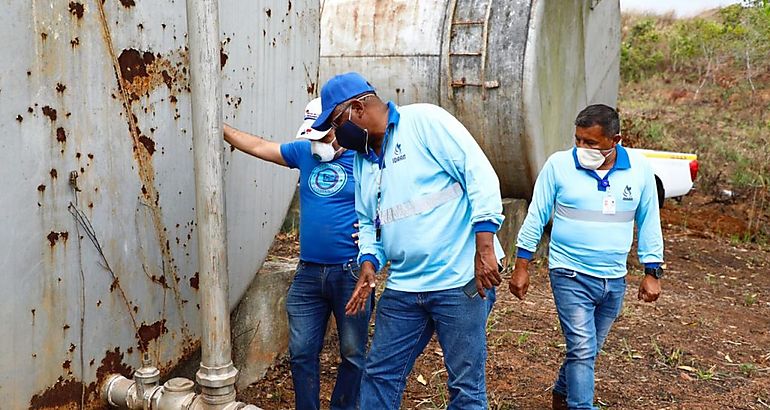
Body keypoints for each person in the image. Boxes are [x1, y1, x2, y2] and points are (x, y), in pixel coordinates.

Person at [310, 72, 506, 410]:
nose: (336, 137)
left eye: (337, 124)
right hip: (405, 286)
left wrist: (485, 247)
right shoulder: (363, 159)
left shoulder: (425, 121)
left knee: (465, 386)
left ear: (358, 108)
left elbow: (480, 175)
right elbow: (369, 223)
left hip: (458, 281)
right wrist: (369, 262)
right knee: (380, 374)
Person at [509, 104, 664, 410]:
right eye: (578, 139)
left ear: (615, 140)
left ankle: (561, 392)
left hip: (613, 278)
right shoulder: (558, 165)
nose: (582, 148)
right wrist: (521, 265)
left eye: (591, 143)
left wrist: (652, 270)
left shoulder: (640, 168)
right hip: (569, 273)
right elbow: (536, 215)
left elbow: (649, 220)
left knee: (589, 350)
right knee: (582, 348)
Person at [223, 98, 372, 410]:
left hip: (350, 272)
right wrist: (219, 127)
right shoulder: (304, 153)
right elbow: (259, 146)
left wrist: (379, 230)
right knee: (302, 351)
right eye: (312, 137)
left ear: (339, 128)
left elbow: (393, 197)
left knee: (353, 353)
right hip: (308, 274)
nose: (317, 144)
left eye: (324, 136)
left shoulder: (364, 160)